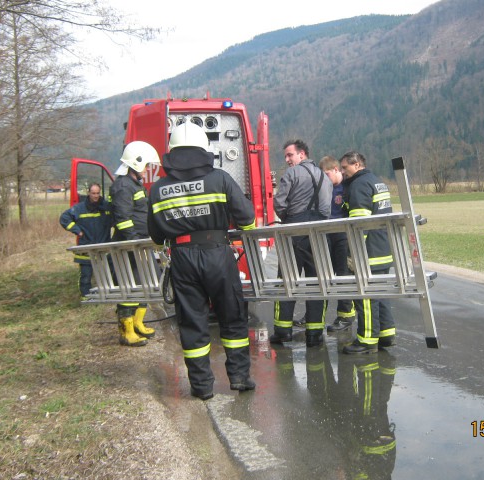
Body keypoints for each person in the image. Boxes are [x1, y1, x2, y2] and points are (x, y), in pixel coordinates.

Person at [147, 121, 257, 400]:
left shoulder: (158, 189)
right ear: (204, 149)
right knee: (232, 316)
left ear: (171, 151)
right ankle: (240, 377)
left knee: (193, 322)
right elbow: (247, 219)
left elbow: (157, 236)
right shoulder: (219, 178)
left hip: (182, 259)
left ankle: (201, 386)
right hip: (217, 254)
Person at [270, 139, 333, 348]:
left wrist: (288, 217)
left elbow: (279, 203)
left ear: (302, 154)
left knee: (287, 281)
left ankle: (282, 331)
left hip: (294, 230)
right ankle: (314, 334)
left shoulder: (292, 174)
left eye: (290, 155)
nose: (287, 160)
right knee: (317, 282)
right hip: (318, 231)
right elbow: (326, 209)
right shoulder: (324, 176)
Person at [339, 151, 396, 354]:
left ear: (356, 164)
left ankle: (367, 340)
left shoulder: (359, 185)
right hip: (382, 247)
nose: (343, 172)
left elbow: (359, 224)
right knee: (380, 293)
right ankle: (386, 334)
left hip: (368, 251)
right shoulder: (376, 181)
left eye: (345, 167)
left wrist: (355, 253)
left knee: (365, 296)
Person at [110, 140, 161, 347]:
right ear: (137, 163)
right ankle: (126, 331)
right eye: (146, 165)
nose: (147, 169)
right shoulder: (123, 186)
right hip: (129, 245)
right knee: (129, 286)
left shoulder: (133, 184)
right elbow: (123, 218)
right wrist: (133, 241)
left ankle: (138, 323)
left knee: (145, 282)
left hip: (139, 243)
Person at [319, 155, 356, 332]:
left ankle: (345, 315)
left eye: (327, 174)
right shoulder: (325, 188)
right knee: (326, 274)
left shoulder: (347, 187)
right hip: (328, 233)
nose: (325, 178)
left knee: (343, 274)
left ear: (336, 170)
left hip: (343, 234)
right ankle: (317, 315)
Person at [60, 183, 112, 299]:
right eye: (93, 193)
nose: (96, 196)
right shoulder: (79, 208)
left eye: (98, 193)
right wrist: (77, 230)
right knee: (86, 275)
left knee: (108, 273)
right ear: (89, 193)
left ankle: (107, 295)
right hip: (86, 247)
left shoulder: (106, 207)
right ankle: (86, 296)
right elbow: (64, 218)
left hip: (104, 246)